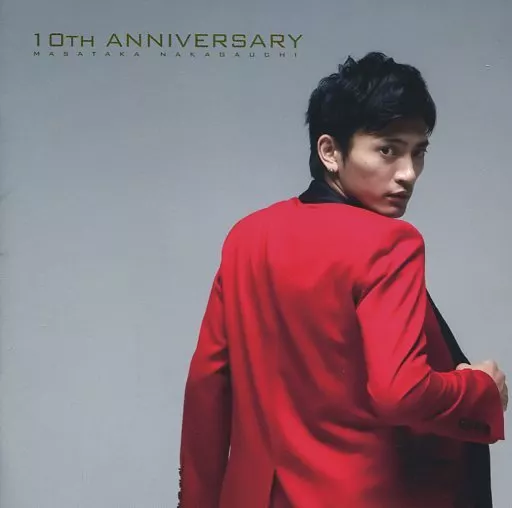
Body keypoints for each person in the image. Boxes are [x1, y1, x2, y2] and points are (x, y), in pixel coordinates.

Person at [177, 52, 508, 508]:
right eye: (388, 150)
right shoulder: (389, 242)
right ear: (330, 151)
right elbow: (401, 392)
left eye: (419, 151)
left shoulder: (247, 237)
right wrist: (479, 391)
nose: (408, 173)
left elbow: (207, 386)